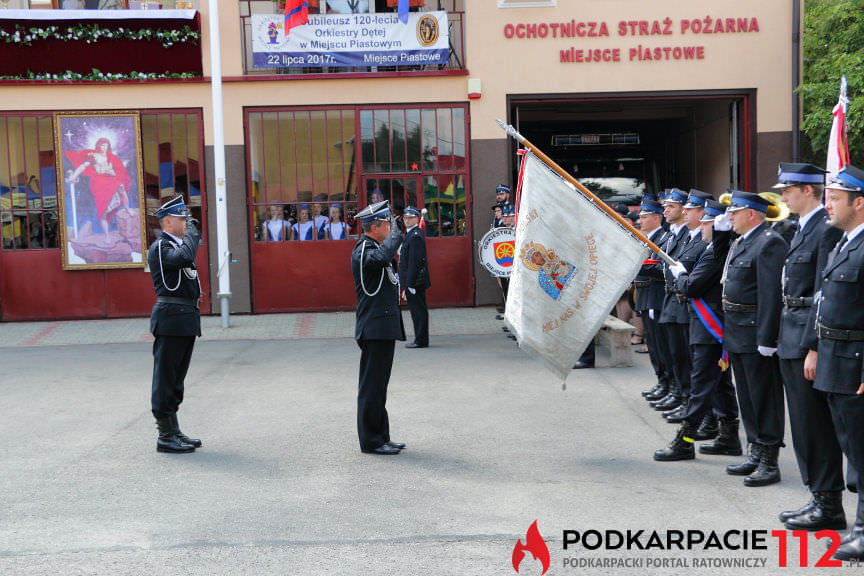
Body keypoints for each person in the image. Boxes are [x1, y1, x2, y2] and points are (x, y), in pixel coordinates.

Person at [773, 163, 847, 531]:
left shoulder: (824, 230)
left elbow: (822, 292)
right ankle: (817, 494)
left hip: (806, 336)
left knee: (815, 425)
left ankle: (828, 502)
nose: (782, 196)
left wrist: (813, 345)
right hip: (790, 333)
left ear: (808, 191)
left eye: (788, 190)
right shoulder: (800, 228)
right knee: (801, 424)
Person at [806, 165, 864, 560]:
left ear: (858, 203)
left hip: (855, 362)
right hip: (834, 358)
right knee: (851, 446)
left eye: (834, 198)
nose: (827, 204)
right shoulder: (845, 244)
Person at [655, 199, 740, 461]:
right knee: (720, 384)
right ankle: (728, 437)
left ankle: (685, 439)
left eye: (706, 222)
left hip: (708, 326)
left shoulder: (716, 250)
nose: (701, 226)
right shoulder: (713, 247)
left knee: (701, 384)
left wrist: (681, 275)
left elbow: (691, 286)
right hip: (706, 324)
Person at [723, 190, 788, 487]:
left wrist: (767, 337)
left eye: (734, 213)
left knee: (764, 397)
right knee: (747, 396)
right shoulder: (742, 242)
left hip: (754, 329)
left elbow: (770, 295)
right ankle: (754, 449)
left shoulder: (769, 243)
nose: (729, 218)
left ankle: (769, 460)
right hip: (736, 328)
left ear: (751, 214)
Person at [147, 195, 202, 454]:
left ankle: (174, 430)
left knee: (177, 380)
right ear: (167, 221)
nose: (187, 223)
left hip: (184, 319)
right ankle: (165, 435)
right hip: (171, 318)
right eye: (182, 219)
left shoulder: (178, 245)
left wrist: (189, 234)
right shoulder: (161, 247)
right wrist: (192, 233)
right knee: (166, 379)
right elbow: (184, 257)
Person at [351, 200, 407, 455]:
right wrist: (397, 234)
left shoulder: (373, 246)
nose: (390, 228)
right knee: (372, 387)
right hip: (374, 328)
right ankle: (371, 441)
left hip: (382, 327)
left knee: (379, 386)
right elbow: (382, 257)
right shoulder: (364, 249)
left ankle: (381, 435)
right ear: (375, 227)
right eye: (387, 224)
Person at [659, 189, 710, 423]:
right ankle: (683, 398)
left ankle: (693, 406)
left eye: (690, 209)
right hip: (674, 302)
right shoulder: (689, 237)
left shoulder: (702, 240)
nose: (686, 213)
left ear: (702, 213)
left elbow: (687, 269)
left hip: (689, 306)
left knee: (691, 363)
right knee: (678, 358)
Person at [651, 188, 691, 412]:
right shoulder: (674, 234)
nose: (665, 209)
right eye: (665, 205)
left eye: (671, 206)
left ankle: (684, 397)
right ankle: (678, 392)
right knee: (673, 353)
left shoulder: (685, 235)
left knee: (684, 357)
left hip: (681, 301)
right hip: (670, 299)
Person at [634, 198, 672, 400]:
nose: (640, 220)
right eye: (640, 216)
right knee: (654, 346)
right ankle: (662, 382)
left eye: (644, 216)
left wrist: (637, 264)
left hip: (656, 296)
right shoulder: (647, 238)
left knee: (662, 346)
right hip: (645, 296)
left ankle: (668, 384)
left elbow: (659, 269)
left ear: (656, 218)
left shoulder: (663, 239)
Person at [65, 137, 132, 247]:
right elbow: (83, 166)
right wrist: (74, 176)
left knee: (121, 187)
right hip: (100, 182)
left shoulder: (111, 157)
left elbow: (119, 169)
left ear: (108, 146)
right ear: (98, 146)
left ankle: (127, 209)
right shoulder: (93, 156)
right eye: (101, 145)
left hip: (111, 180)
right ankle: (107, 237)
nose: (103, 147)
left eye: (105, 145)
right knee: (103, 212)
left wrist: (113, 172)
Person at [399, 206, 431, 348]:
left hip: (415, 281)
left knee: (418, 311)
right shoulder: (411, 234)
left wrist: (409, 284)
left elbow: (415, 262)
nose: (407, 220)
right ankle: (420, 338)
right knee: (417, 311)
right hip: (413, 281)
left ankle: (421, 340)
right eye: (405, 217)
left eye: (410, 218)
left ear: (417, 218)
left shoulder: (415, 236)